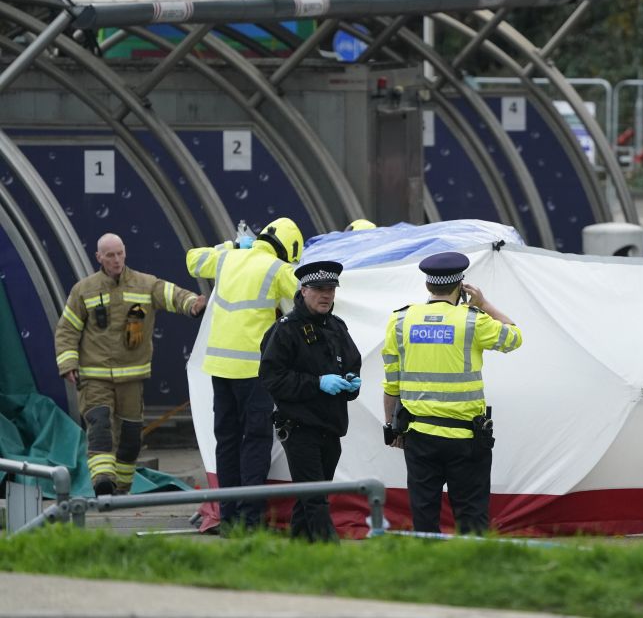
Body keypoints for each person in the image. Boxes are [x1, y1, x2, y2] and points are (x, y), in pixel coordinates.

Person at [55, 233, 206, 496]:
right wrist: (68, 362)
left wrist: (193, 304)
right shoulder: (84, 290)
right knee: (99, 425)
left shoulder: (145, 284)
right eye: (110, 255)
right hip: (94, 377)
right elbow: (67, 329)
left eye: (120, 253)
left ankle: (121, 489)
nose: (116, 260)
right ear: (98, 257)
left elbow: (171, 294)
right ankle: (102, 480)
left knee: (130, 438)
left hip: (131, 379)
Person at [381, 252, 522, 534]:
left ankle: (428, 570)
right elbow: (514, 337)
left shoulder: (400, 321)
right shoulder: (473, 320)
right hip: (466, 440)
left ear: (428, 286)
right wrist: (484, 304)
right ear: (460, 285)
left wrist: (392, 427)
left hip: (419, 438)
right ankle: (471, 570)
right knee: (471, 518)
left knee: (424, 516)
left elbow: (391, 386)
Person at [185, 217, 303, 530]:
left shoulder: (227, 258)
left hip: (220, 369)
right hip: (255, 371)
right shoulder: (277, 268)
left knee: (226, 441)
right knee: (256, 442)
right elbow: (307, 294)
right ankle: (250, 521)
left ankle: (228, 516)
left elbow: (192, 260)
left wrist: (232, 245)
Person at [259, 260, 362, 542]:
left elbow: (352, 362)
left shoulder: (337, 327)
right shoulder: (285, 330)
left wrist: (352, 381)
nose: (326, 295)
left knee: (310, 501)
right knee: (315, 499)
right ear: (303, 290)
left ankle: (300, 555)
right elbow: (272, 378)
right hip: (300, 427)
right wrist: (317, 383)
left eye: (330, 288)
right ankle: (332, 556)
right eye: (318, 289)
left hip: (331, 426)